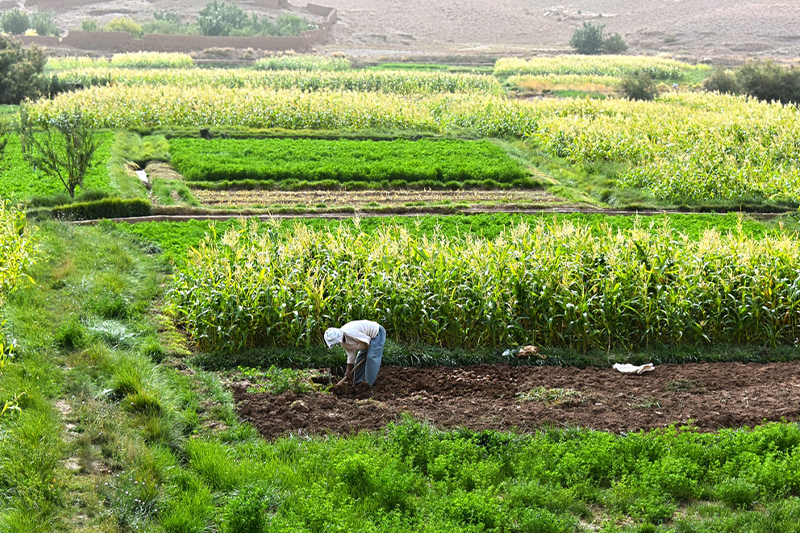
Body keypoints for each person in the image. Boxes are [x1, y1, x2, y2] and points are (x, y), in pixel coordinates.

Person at [324, 320, 386, 386]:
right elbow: (351, 356)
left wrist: (370, 352)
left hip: (376, 334)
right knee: (359, 358)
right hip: (365, 343)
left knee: (371, 358)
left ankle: (369, 385)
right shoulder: (343, 342)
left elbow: (367, 340)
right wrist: (348, 370)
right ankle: (358, 383)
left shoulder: (350, 332)